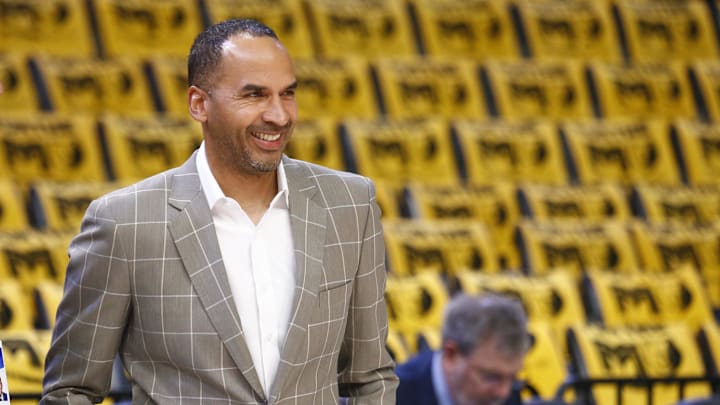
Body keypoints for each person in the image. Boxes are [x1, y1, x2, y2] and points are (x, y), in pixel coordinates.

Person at [41, 18, 397, 404]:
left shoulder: (350, 203)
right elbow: (71, 390)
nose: (279, 115)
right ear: (199, 104)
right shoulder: (124, 222)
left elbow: (371, 376)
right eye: (254, 95)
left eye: (287, 93)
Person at [396, 293, 530, 405]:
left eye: (513, 378)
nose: (503, 392)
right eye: (491, 377)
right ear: (451, 355)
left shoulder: (508, 393)